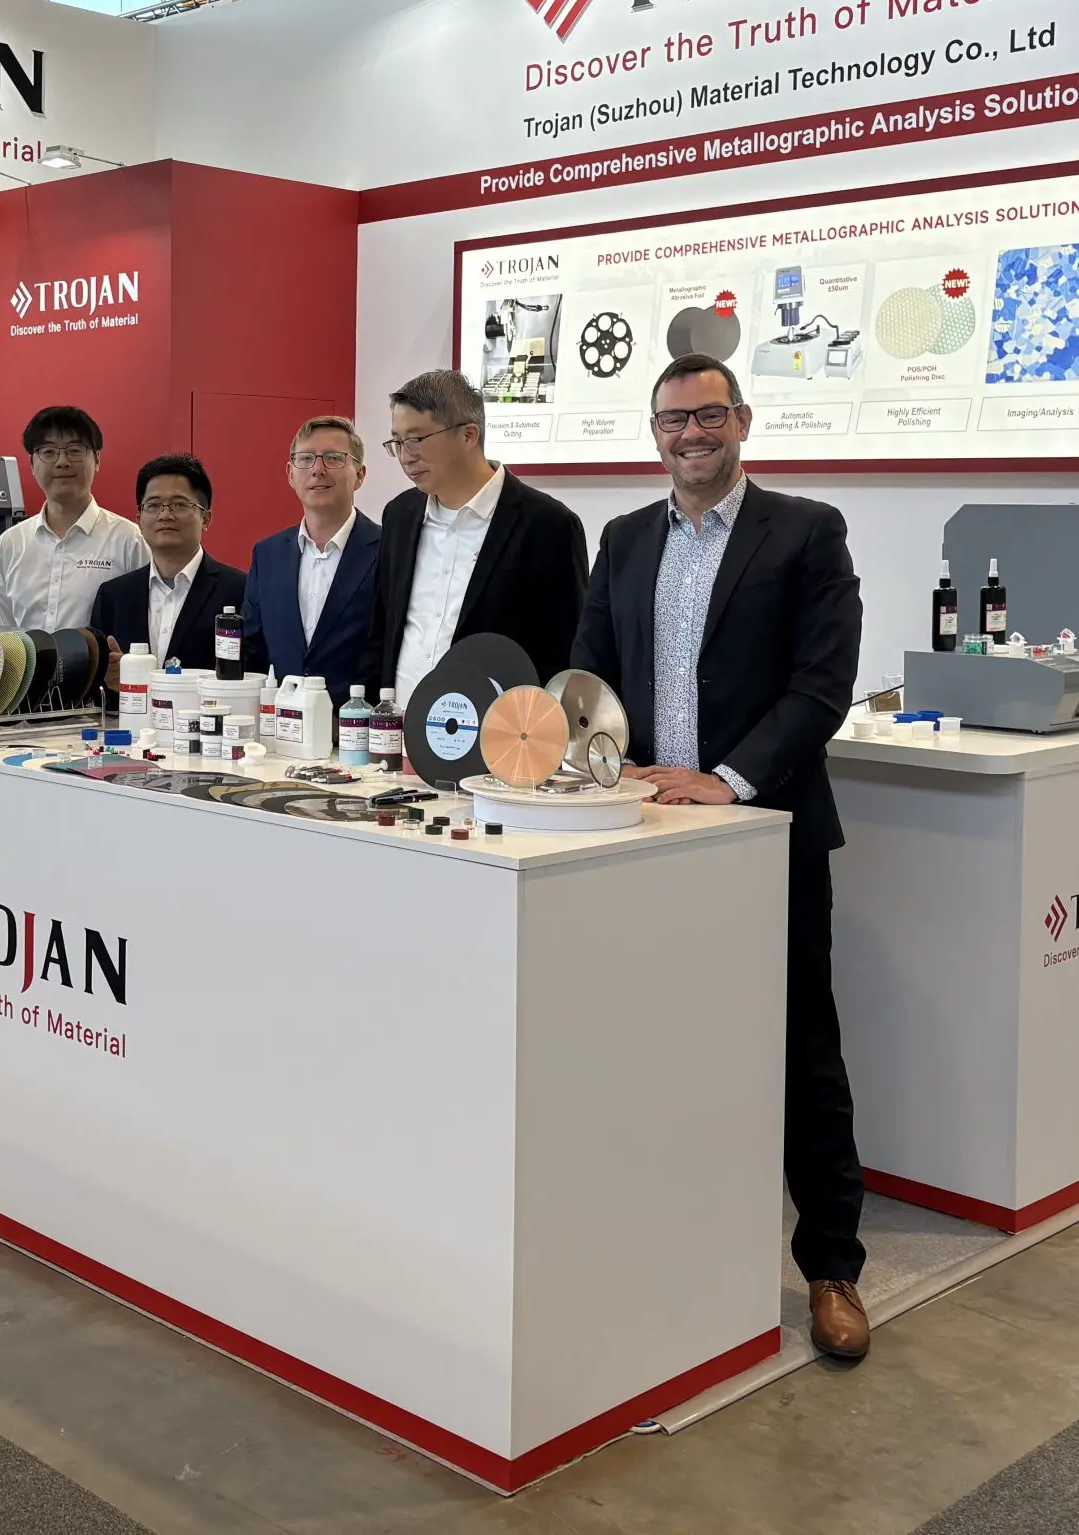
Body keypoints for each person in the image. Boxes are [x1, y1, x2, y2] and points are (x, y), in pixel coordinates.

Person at [569, 353, 867, 1360]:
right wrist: (606, 762)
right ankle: (667, 1250)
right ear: (653, 432)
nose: (690, 434)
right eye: (672, 420)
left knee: (801, 1048)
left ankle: (831, 1267)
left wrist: (729, 780)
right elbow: (590, 676)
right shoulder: (623, 539)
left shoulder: (806, 531)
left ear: (741, 421)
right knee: (656, 1043)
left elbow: (821, 686)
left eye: (707, 416)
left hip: (764, 833)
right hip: (647, 840)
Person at [363, 369, 586, 700]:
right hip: (400, 720)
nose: (406, 456)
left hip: (498, 723)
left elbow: (564, 651)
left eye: (416, 439)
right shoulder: (399, 515)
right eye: (397, 442)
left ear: (468, 435)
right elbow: (383, 626)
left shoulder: (548, 525)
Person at [239, 417, 382, 705]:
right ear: (290, 474)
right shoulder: (267, 555)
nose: (318, 469)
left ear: (359, 475)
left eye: (333, 458)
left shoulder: (388, 550)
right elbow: (252, 650)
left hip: (358, 724)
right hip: (280, 722)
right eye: (305, 459)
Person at [0, 404, 148, 634]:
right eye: (48, 452)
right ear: (32, 464)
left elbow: (142, 627)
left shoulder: (129, 541)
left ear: (97, 459)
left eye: (75, 450)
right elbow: (8, 635)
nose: (62, 461)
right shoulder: (9, 545)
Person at [89, 453, 248, 677]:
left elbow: (252, 672)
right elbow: (99, 680)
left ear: (206, 518)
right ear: (139, 519)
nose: (165, 515)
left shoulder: (241, 591)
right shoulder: (113, 596)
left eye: (179, 504)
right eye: (153, 505)